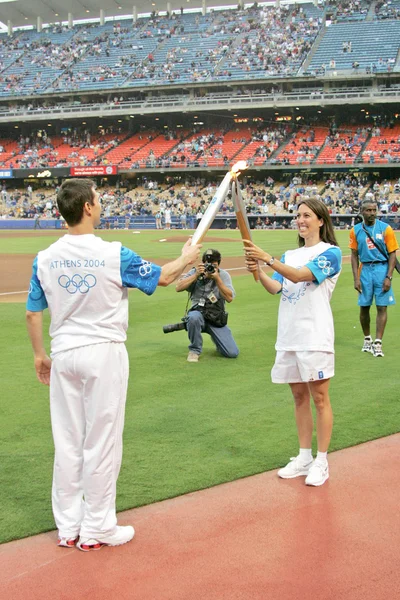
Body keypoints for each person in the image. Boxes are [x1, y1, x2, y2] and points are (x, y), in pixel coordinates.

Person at [26, 179, 201, 552]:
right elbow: (165, 277)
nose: (101, 203)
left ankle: (69, 527)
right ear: (87, 207)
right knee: (101, 441)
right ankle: (97, 527)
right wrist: (188, 256)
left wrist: (40, 355)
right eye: (98, 199)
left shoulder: (44, 258)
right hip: (103, 351)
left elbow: (32, 312)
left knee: (69, 441)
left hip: (64, 353)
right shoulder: (112, 253)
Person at [244, 198, 342, 487]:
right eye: (298, 215)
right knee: (299, 397)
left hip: (314, 336)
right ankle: (304, 457)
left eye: (307, 215)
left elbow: (301, 277)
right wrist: (257, 271)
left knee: (320, 399)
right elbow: (277, 286)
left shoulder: (331, 252)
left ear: (321, 220)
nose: (300, 220)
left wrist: (266, 258)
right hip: (289, 336)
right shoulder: (290, 254)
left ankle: (322, 461)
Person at [349, 199, 398, 357]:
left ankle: (378, 342)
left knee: (382, 307)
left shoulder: (386, 229)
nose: (371, 213)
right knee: (364, 306)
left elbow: (392, 254)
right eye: (368, 210)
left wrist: (388, 276)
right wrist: (356, 278)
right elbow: (354, 255)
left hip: (382, 268)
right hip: (365, 270)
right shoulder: (355, 230)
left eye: (374, 210)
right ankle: (367, 339)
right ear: (362, 212)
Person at [176, 248, 239, 363]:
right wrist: (195, 276)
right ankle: (194, 350)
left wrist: (217, 279)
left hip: (215, 317)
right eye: (208, 264)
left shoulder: (223, 275)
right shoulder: (195, 272)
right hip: (198, 314)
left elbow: (230, 298)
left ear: (218, 265)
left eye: (214, 265)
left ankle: (218, 339)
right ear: (203, 263)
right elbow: (178, 287)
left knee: (232, 353)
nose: (210, 268)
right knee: (193, 318)